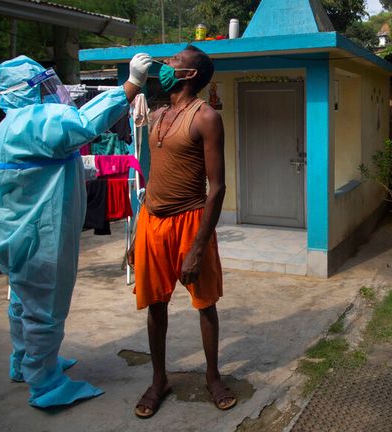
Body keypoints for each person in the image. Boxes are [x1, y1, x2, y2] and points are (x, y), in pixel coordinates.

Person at [0, 53, 152, 408]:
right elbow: (83, 123)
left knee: (21, 302)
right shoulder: (36, 123)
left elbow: (40, 172)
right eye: (42, 85)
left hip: (9, 233)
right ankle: (45, 384)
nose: (49, 92)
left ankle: (24, 362)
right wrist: (131, 86)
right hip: (40, 236)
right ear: (30, 89)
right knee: (45, 309)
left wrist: (88, 169)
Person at [127, 45, 235, 419]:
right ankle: (159, 380)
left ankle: (213, 376)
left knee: (205, 304)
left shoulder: (205, 117)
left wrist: (198, 247)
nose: (166, 66)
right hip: (152, 222)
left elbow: (217, 187)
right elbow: (153, 178)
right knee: (156, 305)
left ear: (189, 75)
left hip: (190, 222)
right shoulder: (157, 116)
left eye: (174, 62)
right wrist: (135, 238)